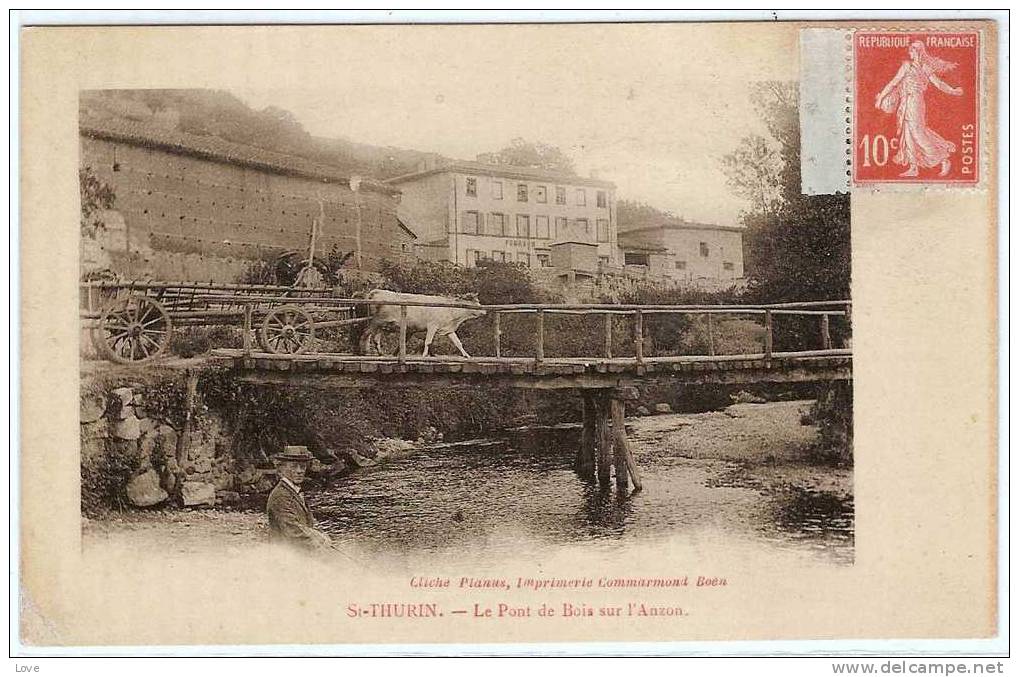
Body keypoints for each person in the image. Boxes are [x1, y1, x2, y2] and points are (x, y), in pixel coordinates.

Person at [875, 41, 964, 178]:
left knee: (917, 133)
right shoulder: (907, 66)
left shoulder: (925, 67)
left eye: (912, 51)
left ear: (917, 52)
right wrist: (881, 97)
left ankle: (942, 159)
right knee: (908, 133)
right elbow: (894, 82)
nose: (910, 53)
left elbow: (939, 84)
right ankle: (913, 167)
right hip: (906, 102)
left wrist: (953, 91)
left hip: (915, 102)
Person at [266, 445, 333, 550]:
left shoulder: (294, 490)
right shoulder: (280, 496)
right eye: (293, 466)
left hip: (298, 552)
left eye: (302, 466)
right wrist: (319, 544)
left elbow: (306, 525)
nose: (299, 471)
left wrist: (320, 535)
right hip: (285, 555)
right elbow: (293, 531)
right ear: (282, 468)